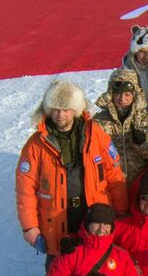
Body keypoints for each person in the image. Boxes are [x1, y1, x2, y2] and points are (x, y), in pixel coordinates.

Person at [17, 79, 129, 259]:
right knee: (59, 268)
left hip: (93, 212)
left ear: (76, 110)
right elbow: (25, 189)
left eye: (66, 109)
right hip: (57, 219)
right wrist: (30, 227)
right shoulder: (35, 145)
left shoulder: (95, 134)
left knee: (97, 263)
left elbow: (114, 175)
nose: (60, 115)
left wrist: (121, 211)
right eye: (55, 109)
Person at [93, 68, 148, 183]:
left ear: (135, 94)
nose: (122, 99)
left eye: (127, 94)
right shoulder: (98, 122)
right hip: (111, 186)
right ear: (111, 94)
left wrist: (143, 143)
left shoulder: (147, 120)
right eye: (118, 94)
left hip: (141, 186)